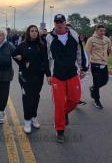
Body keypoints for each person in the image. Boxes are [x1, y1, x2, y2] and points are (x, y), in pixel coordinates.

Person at [46, 14, 88, 143]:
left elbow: (80, 52)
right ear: (54, 23)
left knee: (74, 100)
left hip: (72, 73)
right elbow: (47, 57)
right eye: (57, 22)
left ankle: (63, 114)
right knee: (59, 104)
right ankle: (60, 130)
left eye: (61, 22)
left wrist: (83, 68)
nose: (59, 24)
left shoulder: (74, 35)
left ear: (65, 23)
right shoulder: (49, 37)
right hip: (57, 75)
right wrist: (48, 74)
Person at [13, 25, 51, 134]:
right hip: (25, 76)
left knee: (35, 97)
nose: (34, 33)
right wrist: (22, 62)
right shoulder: (22, 45)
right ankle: (27, 120)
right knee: (27, 98)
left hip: (38, 76)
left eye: (36, 31)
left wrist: (48, 74)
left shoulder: (41, 45)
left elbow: (45, 60)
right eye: (32, 31)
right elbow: (14, 54)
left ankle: (34, 116)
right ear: (28, 33)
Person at [86, 25, 112, 110]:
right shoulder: (91, 40)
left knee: (104, 81)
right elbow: (87, 52)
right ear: (96, 30)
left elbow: (111, 49)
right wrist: (86, 63)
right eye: (101, 31)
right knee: (96, 83)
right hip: (95, 64)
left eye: (103, 31)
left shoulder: (107, 39)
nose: (102, 33)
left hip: (104, 64)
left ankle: (93, 88)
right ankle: (97, 100)